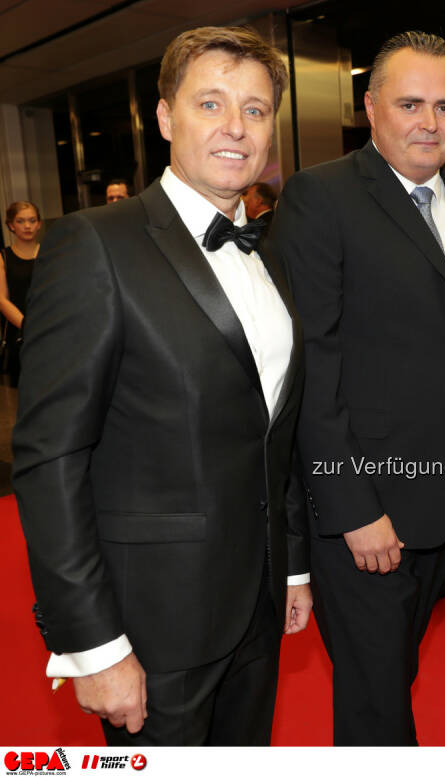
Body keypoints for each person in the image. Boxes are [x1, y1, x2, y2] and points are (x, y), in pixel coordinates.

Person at [12, 26, 311, 746]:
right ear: (165, 117)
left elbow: (273, 428)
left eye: (256, 109)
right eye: (211, 104)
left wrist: (293, 562)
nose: (236, 127)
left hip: (258, 602)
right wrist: (94, 643)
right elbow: (50, 458)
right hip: (152, 625)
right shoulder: (95, 243)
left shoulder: (271, 251)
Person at [273, 31, 445, 746]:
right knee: (376, 702)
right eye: (410, 104)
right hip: (368, 508)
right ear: (370, 108)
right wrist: (351, 507)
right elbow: (312, 365)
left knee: (390, 674)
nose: (429, 122)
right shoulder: (322, 197)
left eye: (444, 105)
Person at [1, 201, 41, 387]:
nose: (27, 226)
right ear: (11, 225)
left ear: (39, 224)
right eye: (21, 221)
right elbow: (1, 299)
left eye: (32, 220)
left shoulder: (50, 253)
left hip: (50, 330)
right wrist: (26, 325)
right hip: (19, 335)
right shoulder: (4, 257)